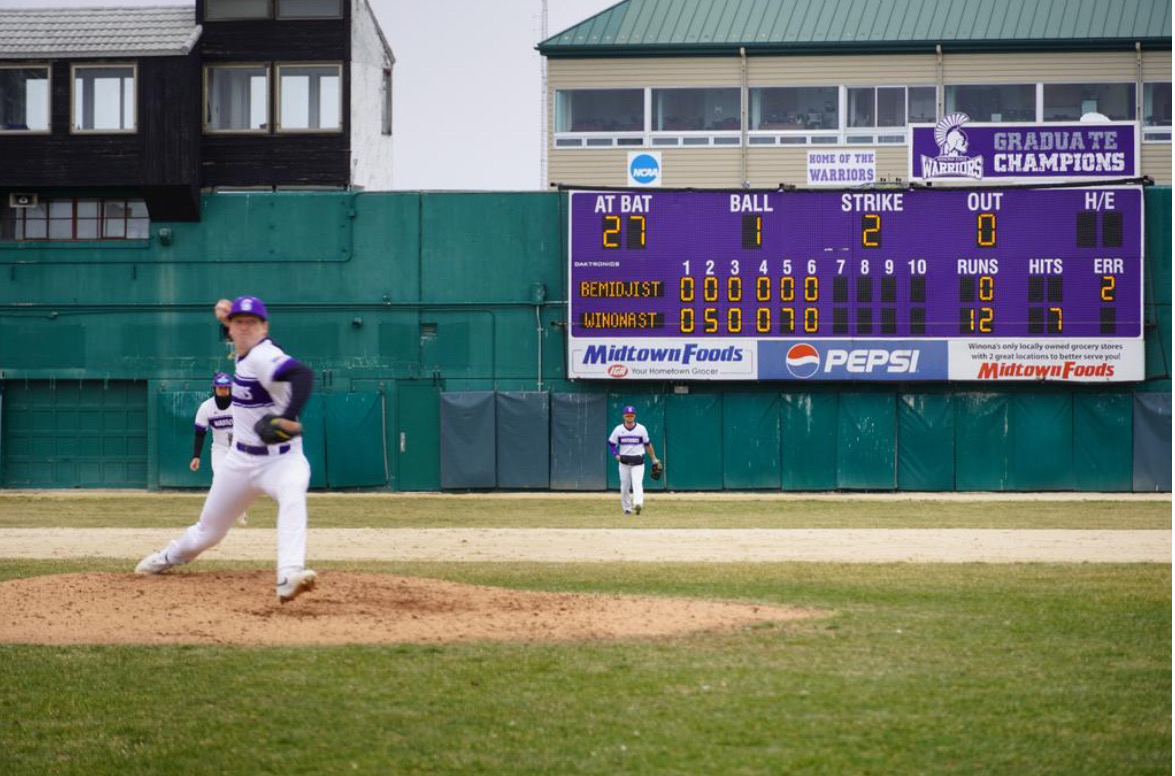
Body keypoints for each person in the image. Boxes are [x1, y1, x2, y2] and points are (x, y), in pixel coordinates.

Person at [137, 296, 318, 603]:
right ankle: (167, 557)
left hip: (282, 459)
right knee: (208, 533)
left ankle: (289, 574)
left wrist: (288, 417)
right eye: (239, 323)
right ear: (229, 330)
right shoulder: (245, 353)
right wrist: (227, 317)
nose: (245, 328)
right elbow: (245, 337)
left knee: (292, 496)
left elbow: (303, 375)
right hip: (240, 461)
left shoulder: (263, 356)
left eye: (252, 322)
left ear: (264, 328)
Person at [191, 372, 247, 527]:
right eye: (220, 387)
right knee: (219, 479)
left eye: (226, 387)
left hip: (239, 447)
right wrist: (196, 456)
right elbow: (200, 433)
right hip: (220, 448)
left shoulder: (239, 405)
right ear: (214, 388)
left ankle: (239, 510)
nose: (223, 390)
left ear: (230, 388)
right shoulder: (206, 407)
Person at [607, 405, 660, 515]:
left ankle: (638, 504)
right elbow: (611, 444)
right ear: (624, 416)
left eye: (631, 415)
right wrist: (615, 454)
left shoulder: (641, 429)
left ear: (634, 416)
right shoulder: (618, 429)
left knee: (637, 483)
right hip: (624, 461)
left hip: (638, 461)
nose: (629, 417)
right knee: (624, 486)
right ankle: (627, 508)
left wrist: (654, 459)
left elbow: (647, 445)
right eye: (627, 415)